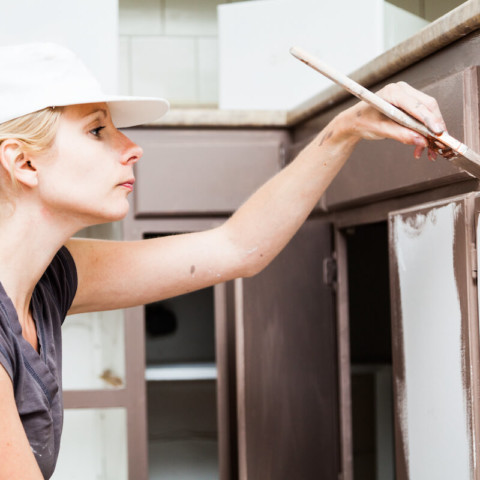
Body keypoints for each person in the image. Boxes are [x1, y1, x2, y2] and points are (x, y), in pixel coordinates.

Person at [0, 42, 446, 479]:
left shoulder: (50, 278)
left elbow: (236, 248)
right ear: (24, 163)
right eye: (98, 131)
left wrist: (348, 127)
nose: (132, 147)